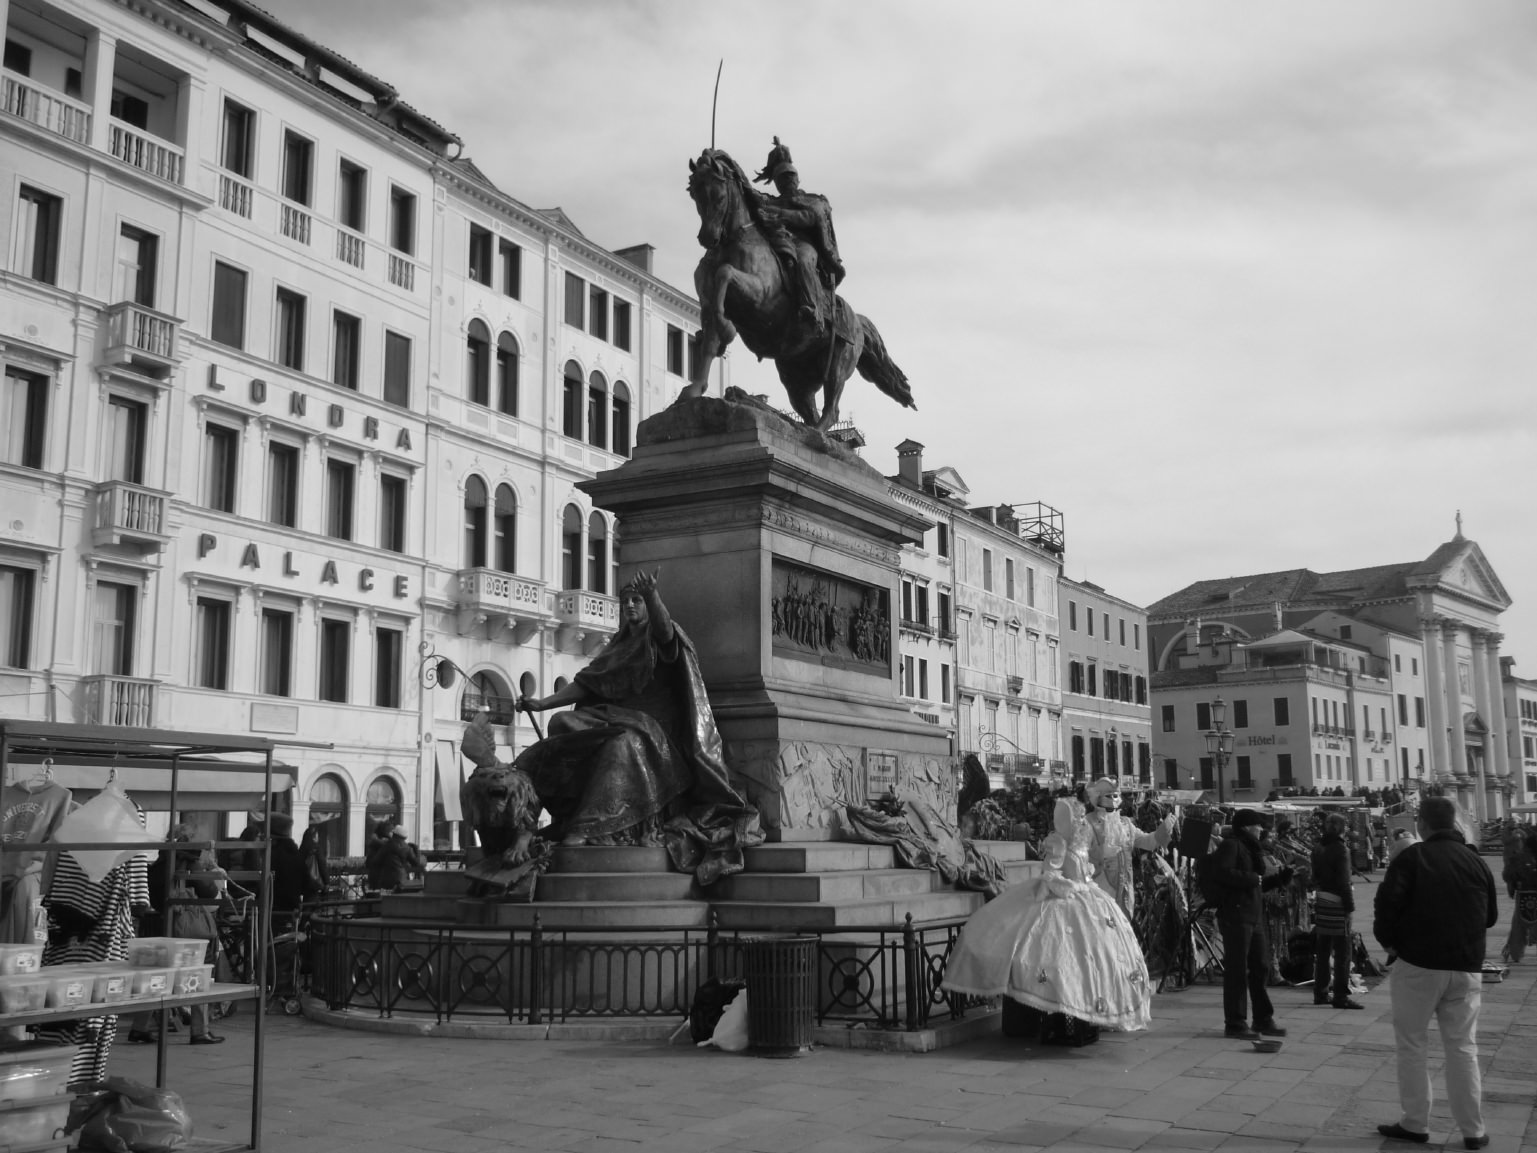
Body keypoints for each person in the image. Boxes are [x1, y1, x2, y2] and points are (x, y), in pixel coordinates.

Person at [507, 570, 760, 885]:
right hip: (615, 715)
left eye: (636, 600)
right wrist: (543, 705)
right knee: (562, 723)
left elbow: (666, 633)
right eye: (625, 600)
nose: (629, 606)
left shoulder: (659, 636)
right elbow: (588, 683)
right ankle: (557, 811)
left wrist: (654, 596)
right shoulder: (619, 644)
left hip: (654, 732)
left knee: (622, 744)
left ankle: (589, 826)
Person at [942, 796, 1151, 1033]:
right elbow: (1050, 873)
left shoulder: (1082, 842)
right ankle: (1062, 1010)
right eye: (1079, 818)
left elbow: (1086, 869)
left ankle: (1089, 1009)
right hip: (1062, 900)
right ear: (1067, 820)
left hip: (1088, 898)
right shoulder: (1058, 843)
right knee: (1059, 954)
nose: (1083, 822)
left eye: (1083, 817)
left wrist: (1089, 876)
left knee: (1097, 955)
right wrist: (1064, 885)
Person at [1373, 796, 1497, 1149]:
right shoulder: (1476, 860)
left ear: (1422, 825)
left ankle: (1415, 1123)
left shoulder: (1413, 857)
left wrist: (1391, 943)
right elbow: (1489, 916)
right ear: (1455, 824)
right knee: (1463, 1048)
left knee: (1412, 1044)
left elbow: (1387, 904)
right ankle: (1473, 1130)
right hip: (1466, 965)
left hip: (1419, 965)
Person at [128, 826, 224, 1045]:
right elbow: (208, 891)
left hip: (157, 926)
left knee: (155, 978)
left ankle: (139, 1027)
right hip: (182, 928)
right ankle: (200, 1031)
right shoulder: (189, 860)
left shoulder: (159, 861)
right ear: (189, 842)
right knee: (196, 976)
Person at [1208, 809, 1292, 1040]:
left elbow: (1257, 884)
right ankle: (1235, 1023)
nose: (1261, 829)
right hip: (1236, 915)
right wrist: (1253, 879)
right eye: (1257, 825)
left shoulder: (1251, 848)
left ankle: (1263, 1019)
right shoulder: (1231, 845)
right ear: (1246, 827)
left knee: (1261, 967)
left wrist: (1279, 879)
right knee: (1237, 970)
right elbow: (1222, 873)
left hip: (1252, 916)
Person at [749, 136, 844, 330]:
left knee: (802, 259)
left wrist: (777, 213)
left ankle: (811, 307)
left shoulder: (812, 200)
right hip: (778, 241)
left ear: (797, 178)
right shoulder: (771, 201)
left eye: (790, 177)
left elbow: (808, 217)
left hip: (804, 243)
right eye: (782, 178)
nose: (787, 181)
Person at [1083, 777, 1172, 918]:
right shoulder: (1088, 823)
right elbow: (1078, 855)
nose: (1113, 799)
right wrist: (1100, 853)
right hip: (1100, 890)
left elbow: (1147, 842)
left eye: (1115, 795)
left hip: (1125, 891)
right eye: (1108, 795)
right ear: (1097, 797)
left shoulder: (1125, 824)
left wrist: (1162, 832)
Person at [1310, 811, 1362, 1009]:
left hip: (1322, 898)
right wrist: (1349, 906)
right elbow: (1344, 881)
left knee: (1322, 949)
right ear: (1342, 828)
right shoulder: (1340, 849)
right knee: (1342, 950)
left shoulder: (1318, 847)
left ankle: (1320, 992)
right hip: (1338, 901)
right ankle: (1340, 994)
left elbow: (1315, 875)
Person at [1500, 824, 1537, 964]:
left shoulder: (1519, 857)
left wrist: (1513, 885)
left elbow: (1508, 875)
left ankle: (1515, 953)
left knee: (1518, 926)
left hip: (1523, 894)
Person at [365, 823, 424, 893]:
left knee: (386, 899)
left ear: (394, 834)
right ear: (405, 837)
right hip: (401, 879)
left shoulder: (386, 845)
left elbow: (376, 861)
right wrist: (416, 849)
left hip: (386, 880)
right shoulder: (407, 848)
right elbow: (416, 863)